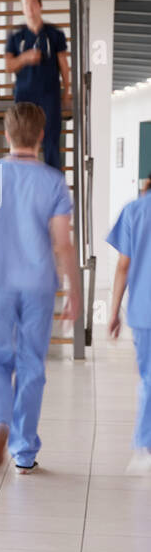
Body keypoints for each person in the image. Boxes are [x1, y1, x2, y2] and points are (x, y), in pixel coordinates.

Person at [0, 103, 81, 473]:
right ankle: (24, 451)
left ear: (7, 135)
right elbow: (62, 243)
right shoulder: (53, 181)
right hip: (39, 283)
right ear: (42, 135)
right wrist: (74, 290)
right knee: (31, 364)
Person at [107, 184, 151, 473]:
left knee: (149, 378)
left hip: (144, 310)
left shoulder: (136, 210)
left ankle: (144, 445)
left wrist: (113, 311)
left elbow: (124, 265)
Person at [4, 0, 71, 171]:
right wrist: (24, 58)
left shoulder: (54, 34)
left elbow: (64, 63)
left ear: (40, 6)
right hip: (24, 94)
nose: (30, 9)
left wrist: (67, 90)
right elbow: (9, 66)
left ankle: (53, 182)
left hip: (50, 92)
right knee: (22, 139)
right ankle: (22, 176)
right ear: (22, 9)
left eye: (33, 4)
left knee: (51, 138)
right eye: (25, 5)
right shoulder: (16, 36)